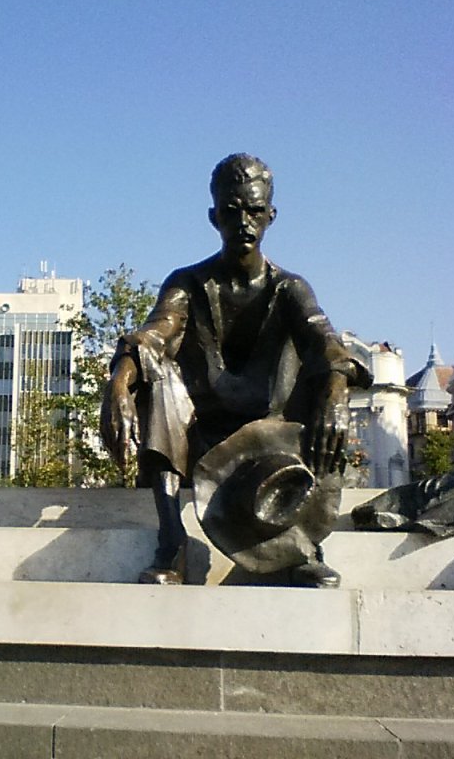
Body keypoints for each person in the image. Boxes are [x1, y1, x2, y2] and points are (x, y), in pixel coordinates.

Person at [101, 154, 369, 588]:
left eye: (255, 211)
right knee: (158, 373)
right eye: (232, 211)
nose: (244, 222)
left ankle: (303, 543)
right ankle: (172, 540)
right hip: (201, 433)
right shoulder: (187, 283)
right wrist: (119, 382)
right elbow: (155, 334)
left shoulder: (290, 288)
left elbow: (325, 340)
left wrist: (337, 390)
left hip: (273, 437)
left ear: (271, 216)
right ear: (214, 216)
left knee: (321, 371)